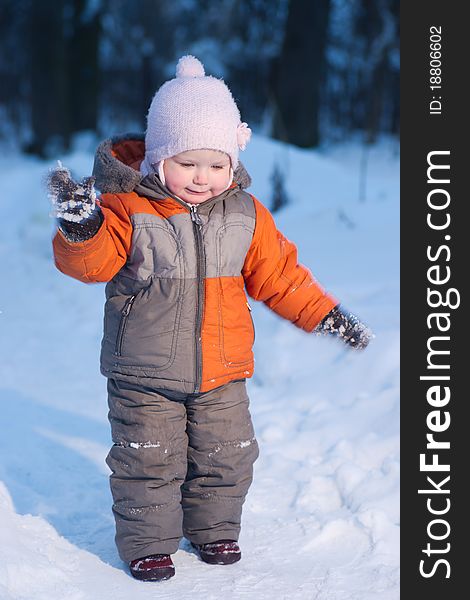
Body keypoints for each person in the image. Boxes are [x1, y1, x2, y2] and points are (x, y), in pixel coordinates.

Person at [49, 55, 373, 582]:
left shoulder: (245, 214)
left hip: (223, 369)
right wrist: (82, 229)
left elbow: (281, 277)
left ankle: (214, 529)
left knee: (228, 454)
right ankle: (148, 544)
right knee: (148, 458)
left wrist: (327, 316)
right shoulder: (128, 208)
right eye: (188, 162)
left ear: (233, 162)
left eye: (216, 164)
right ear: (158, 159)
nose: (203, 178)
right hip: (144, 372)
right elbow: (94, 264)